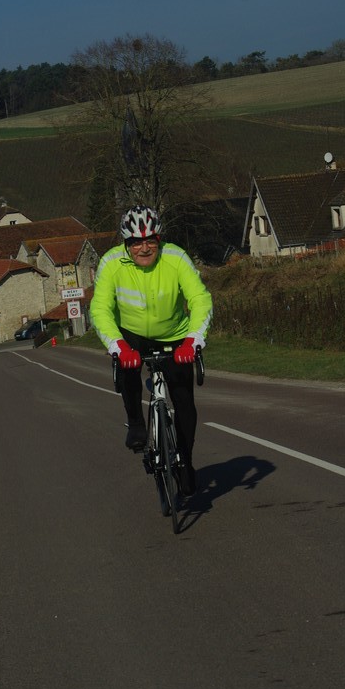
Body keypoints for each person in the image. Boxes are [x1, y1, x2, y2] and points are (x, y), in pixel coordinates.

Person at [90, 204, 213, 497]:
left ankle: (185, 462)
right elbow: (100, 308)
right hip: (131, 335)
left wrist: (193, 340)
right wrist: (118, 345)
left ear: (159, 239)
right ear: (126, 243)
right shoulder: (111, 263)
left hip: (174, 335)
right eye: (136, 242)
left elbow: (200, 299)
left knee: (183, 400)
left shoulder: (176, 258)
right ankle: (136, 422)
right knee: (128, 369)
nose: (144, 248)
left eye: (150, 241)